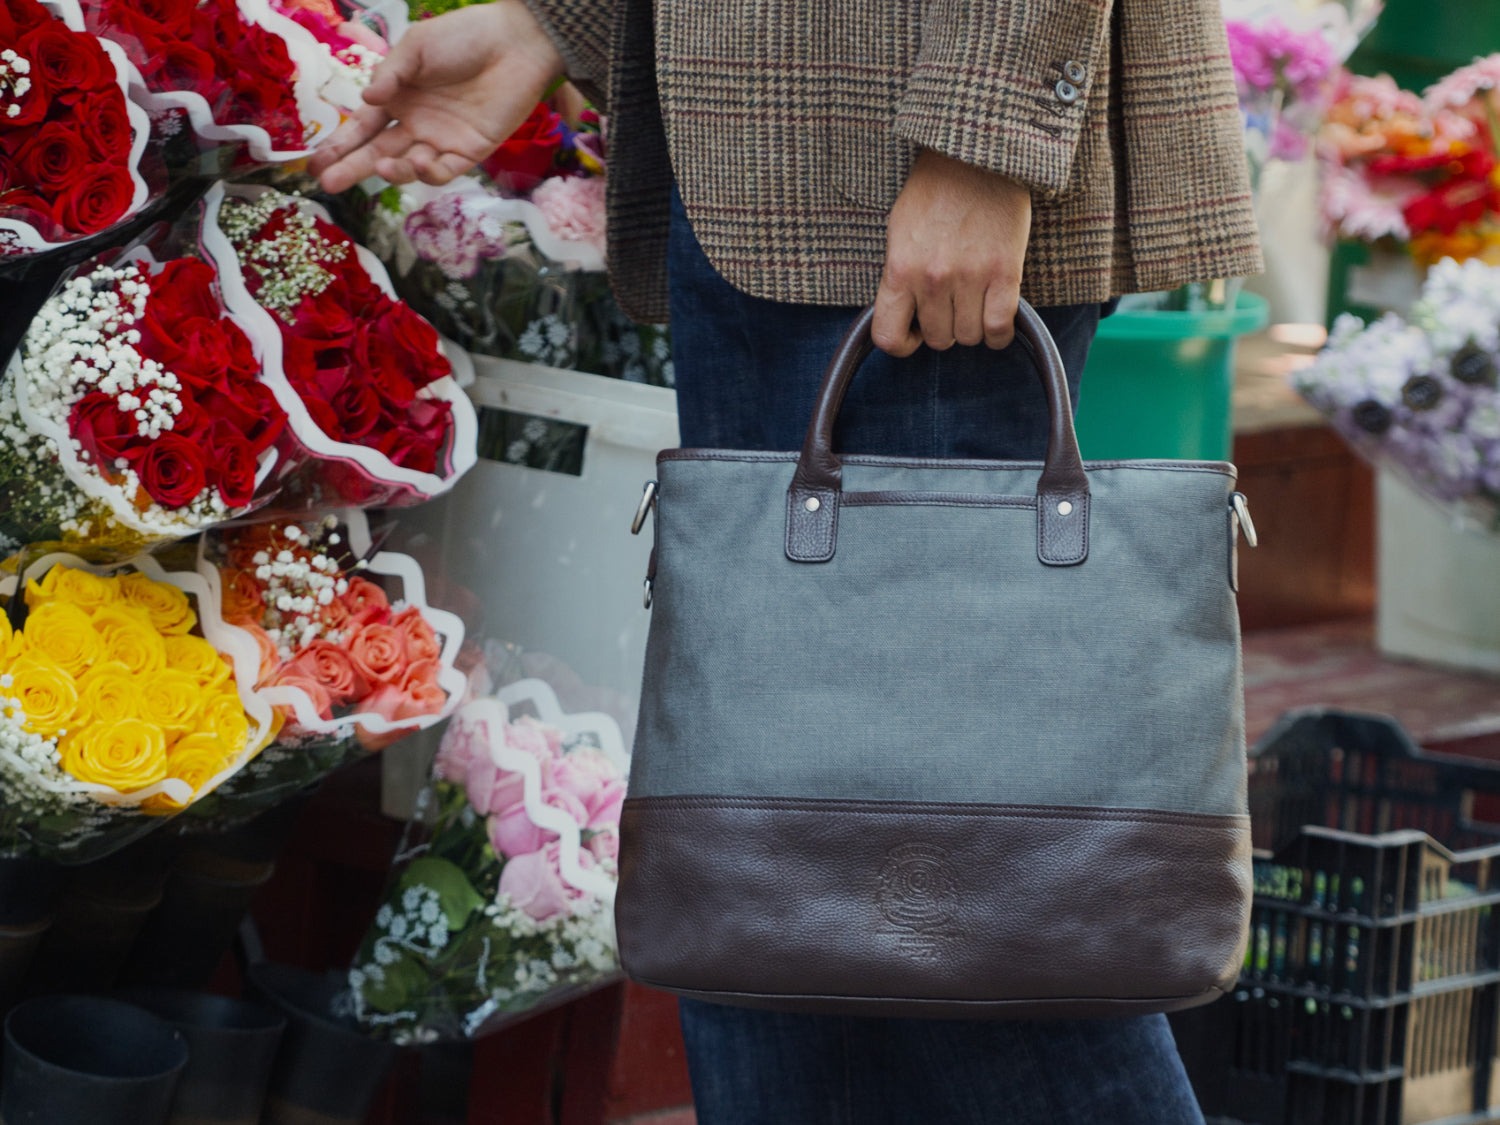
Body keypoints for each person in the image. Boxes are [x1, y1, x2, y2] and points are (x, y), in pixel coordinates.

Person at [313, 0, 1261, 1120]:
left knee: (988, 933)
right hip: (760, 161)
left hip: (902, 159)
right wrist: (551, 23)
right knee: (763, 911)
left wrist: (982, 135)